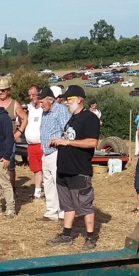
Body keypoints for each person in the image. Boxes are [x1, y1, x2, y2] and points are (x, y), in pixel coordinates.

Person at [46, 85, 101, 250]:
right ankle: (66, 234)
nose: (66, 103)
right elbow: (69, 138)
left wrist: (67, 142)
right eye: (65, 100)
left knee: (84, 205)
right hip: (64, 169)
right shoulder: (72, 118)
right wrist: (58, 141)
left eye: (69, 100)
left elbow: (92, 142)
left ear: (79, 99)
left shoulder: (89, 118)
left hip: (79, 170)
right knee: (67, 205)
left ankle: (90, 238)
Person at [37, 86, 71, 222]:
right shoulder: (45, 112)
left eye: (42, 102)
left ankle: (63, 212)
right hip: (45, 153)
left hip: (57, 152)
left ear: (50, 100)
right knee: (48, 182)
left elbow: (67, 131)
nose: (40, 105)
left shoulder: (60, 111)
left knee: (60, 183)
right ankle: (51, 211)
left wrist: (59, 142)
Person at [0, 78, 27, 187]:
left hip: (9, 141)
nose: (0, 93)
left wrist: (19, 132)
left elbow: (25, 118)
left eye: (3, 90)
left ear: (8, 90)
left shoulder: (14, 104)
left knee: (10, 166)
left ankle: (12, 189)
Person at [23, 85, 44, 199]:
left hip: (41, 143)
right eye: (30, 95)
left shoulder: (43, 107)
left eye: (34, 95)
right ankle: (37, 191)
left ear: (38, 95)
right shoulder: (29, 108)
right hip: (31, 144)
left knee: (43, 168)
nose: (31, 97)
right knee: (35, 169)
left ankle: (45, 189)